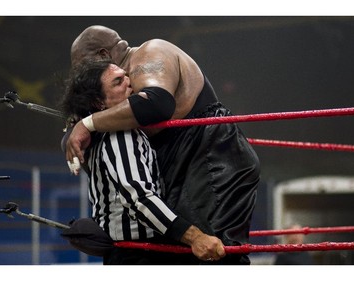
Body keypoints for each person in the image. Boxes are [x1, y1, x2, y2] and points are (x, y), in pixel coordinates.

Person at [65, 25, 261, 264]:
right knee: (179, 251)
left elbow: (156, 104)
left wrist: (87, 123)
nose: (82, 76)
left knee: (213, 252)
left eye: (84, 67)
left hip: (211, 154)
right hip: (178, 159)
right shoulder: (113, 96)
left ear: (104, 55)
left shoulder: (149, 55)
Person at [60, 58, 226, 265]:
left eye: (126, 75)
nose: (130, 81)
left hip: (135, 251)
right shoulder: (119, 135)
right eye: (118, 82)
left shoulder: (106, 133)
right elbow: (139, 199)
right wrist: (195, 237)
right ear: (98, 103)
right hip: (136, 254)